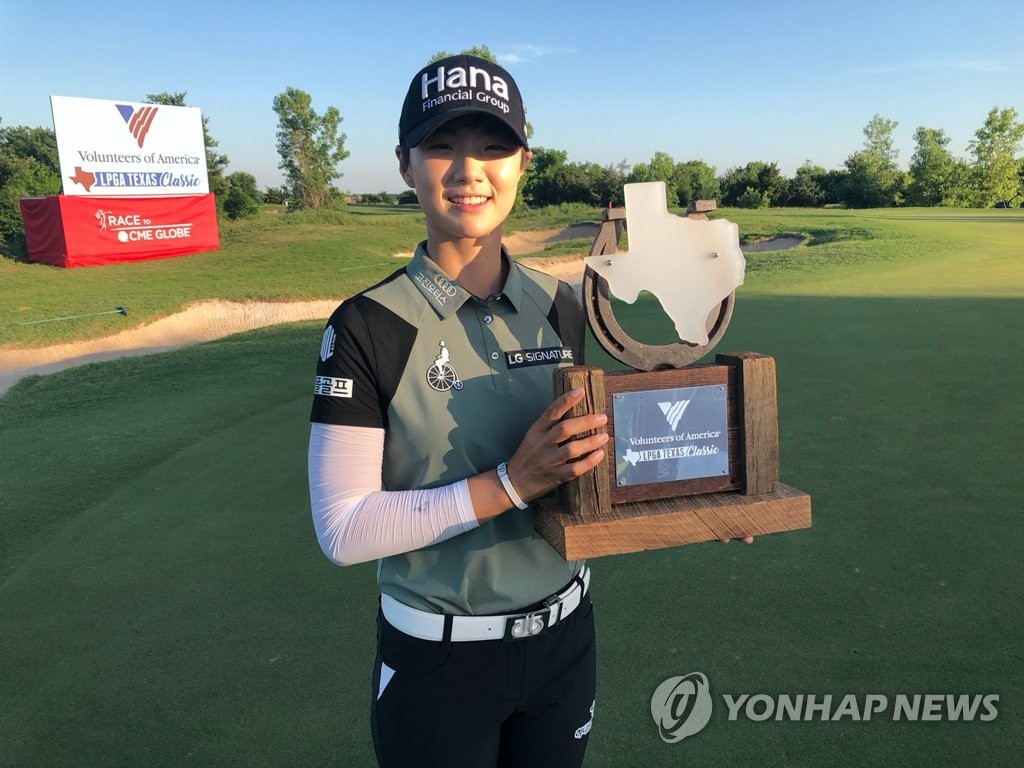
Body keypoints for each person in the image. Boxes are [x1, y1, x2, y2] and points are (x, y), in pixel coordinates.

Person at [308, 54, 609, 767]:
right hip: (439, 662)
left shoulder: (562, 305)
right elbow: (343, 529)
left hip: (565, 640)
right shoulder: (367, 325)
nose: (469, 170)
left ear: (523, 163)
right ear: (405, 164)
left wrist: (700, 493)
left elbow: (581, 457)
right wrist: (511, 483)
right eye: (442, 144)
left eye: (493, 146)